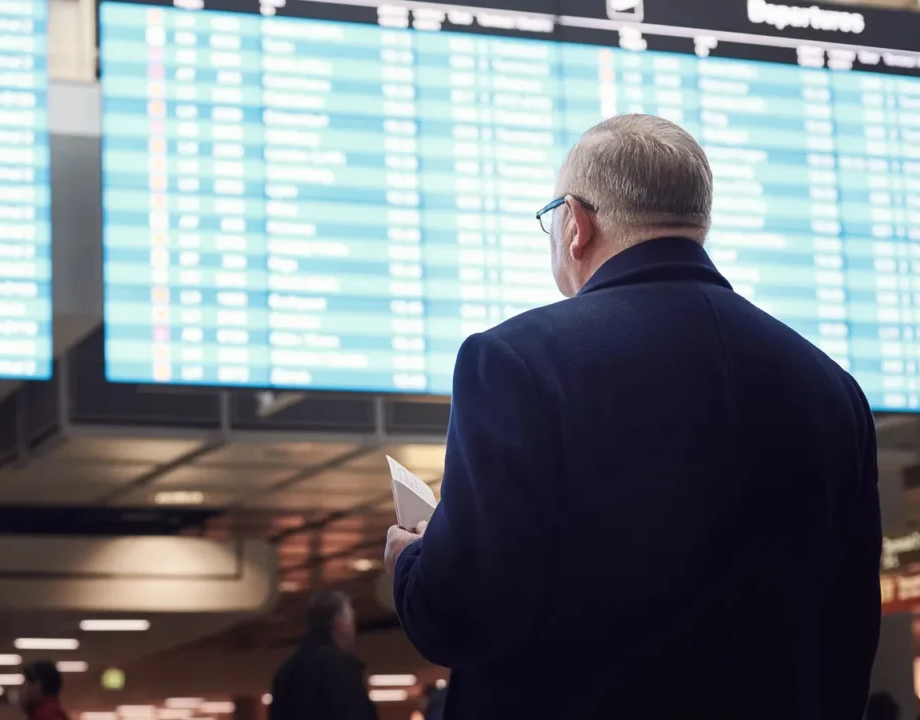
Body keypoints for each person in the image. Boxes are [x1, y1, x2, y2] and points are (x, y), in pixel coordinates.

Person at [383, 114, 880, 720]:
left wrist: (410, 560)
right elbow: (850, 637)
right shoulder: (831, 389)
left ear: (575, 223)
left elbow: (460, 616)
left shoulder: (515, 362)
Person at [269, 591, 377, 720]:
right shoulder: (342, 667)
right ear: (339, 623)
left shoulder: (285, 671)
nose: (354, 629)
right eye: (351, 620)